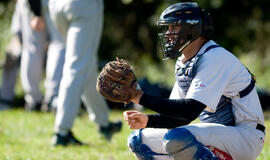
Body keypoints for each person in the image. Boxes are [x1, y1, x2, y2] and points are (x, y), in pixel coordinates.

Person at [123, 2, 265, 160]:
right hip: (217, 135)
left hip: (245, 136)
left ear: (192, 29)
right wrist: (149, 120)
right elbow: (179, 117)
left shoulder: (214, 57)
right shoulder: (185, 61)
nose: (168, 34)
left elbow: (190, 110)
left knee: (177, 138)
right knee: (138, 141)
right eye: (168, 28)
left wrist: (139, 97)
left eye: (173, 27)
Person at [48, 0, 122, 146]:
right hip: (82, 5)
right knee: (77, 67)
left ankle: (104, 123)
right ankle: (62, 132)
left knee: (85, 64)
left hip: (56, 5)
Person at [13, 0, 49, 111]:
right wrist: (37, 13)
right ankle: (36, 98)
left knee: (33, 48)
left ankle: (36, 98)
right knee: (33, 49)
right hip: (36, 4)